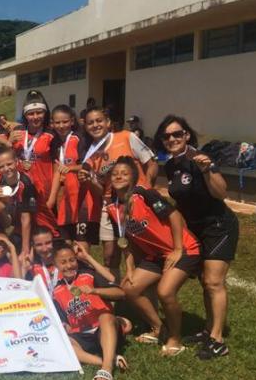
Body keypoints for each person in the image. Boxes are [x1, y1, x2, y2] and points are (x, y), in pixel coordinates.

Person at [155, 115, 239, 359]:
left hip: (218, 225)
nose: (172, 139)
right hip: (196, 228)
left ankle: (217, 339)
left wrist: (207, 171)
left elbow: (221, 192)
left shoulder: (200, 159)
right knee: (205, 281)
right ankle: (208, 329)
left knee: (214, 282)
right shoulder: (171, 165)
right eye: (166, 136)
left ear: (187, 135)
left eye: (177, 134)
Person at [105, 157, 201, 357]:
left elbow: (174, 216)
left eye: (124, 173)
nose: (119, 176)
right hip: (156, 255)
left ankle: (175, 339)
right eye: (115, 174)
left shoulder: (144, 194)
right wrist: (130, 269)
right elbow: (125, 242)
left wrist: (177, 249)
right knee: (129, 288)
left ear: (133, 177)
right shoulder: (112, 208)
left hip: (184, 248)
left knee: (165, 292)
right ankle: (159, 328)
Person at [80, 106, 158, 277]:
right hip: (110, 207)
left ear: (108, 123)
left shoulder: (126, 137)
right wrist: (91, 182)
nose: (95, 125)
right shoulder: (91, 155)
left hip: (136, 204)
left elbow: (151, 163)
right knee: (109, 256)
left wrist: (147, 191)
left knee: (139, 253)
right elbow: (101, 190)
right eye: (90, 122)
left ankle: (140, 293)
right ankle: (115, 295)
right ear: (85, 126)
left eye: (99, 120)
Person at [51, 245, 131, 380]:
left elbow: (120, 293)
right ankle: (107, 359)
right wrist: (64, 327)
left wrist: (94, 291)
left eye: (72, 260)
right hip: (83, 336)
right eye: (63, 262)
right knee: (63, 343)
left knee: (105, 317)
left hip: (104, 329)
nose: (69, 265)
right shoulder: (56, 292)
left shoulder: (88, 274)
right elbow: (65, 323)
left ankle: (106, 369)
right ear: (56, 265)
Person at [46, 105, 100, 251]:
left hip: (84, 200)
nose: (61, 126)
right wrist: (51, 201)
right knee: (66, 246)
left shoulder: (80, 139)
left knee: (81, 248)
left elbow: (88, 165)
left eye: (65, 122)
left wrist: (70, 168)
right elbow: (58, 170)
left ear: (71, 121)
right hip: (66, 201)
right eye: (57, 122)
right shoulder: (55, 143)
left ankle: (86, 274)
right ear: (52, 123)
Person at [10, 90, 59, 237]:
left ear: (45, 113)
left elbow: (57, 169)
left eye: (39, 112)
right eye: (31, 113)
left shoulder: (52, 135)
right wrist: (8, 142)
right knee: (23, 234)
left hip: (43, 195)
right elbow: (6, 160)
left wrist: (52, 198)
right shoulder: (17, 133)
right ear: (25, 115)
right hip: (20, 193)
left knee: (46, 237)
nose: (35, 117)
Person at [0, 146, 37, 259]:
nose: (6, 169)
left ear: (17, 162)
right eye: (1, 166)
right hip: (13, 226)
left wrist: (25, 249)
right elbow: (6, 222)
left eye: (9, 164)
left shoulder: (26, 183)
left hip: (32, 226)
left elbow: (26, 218)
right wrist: (0, 203)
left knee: (25, 258)